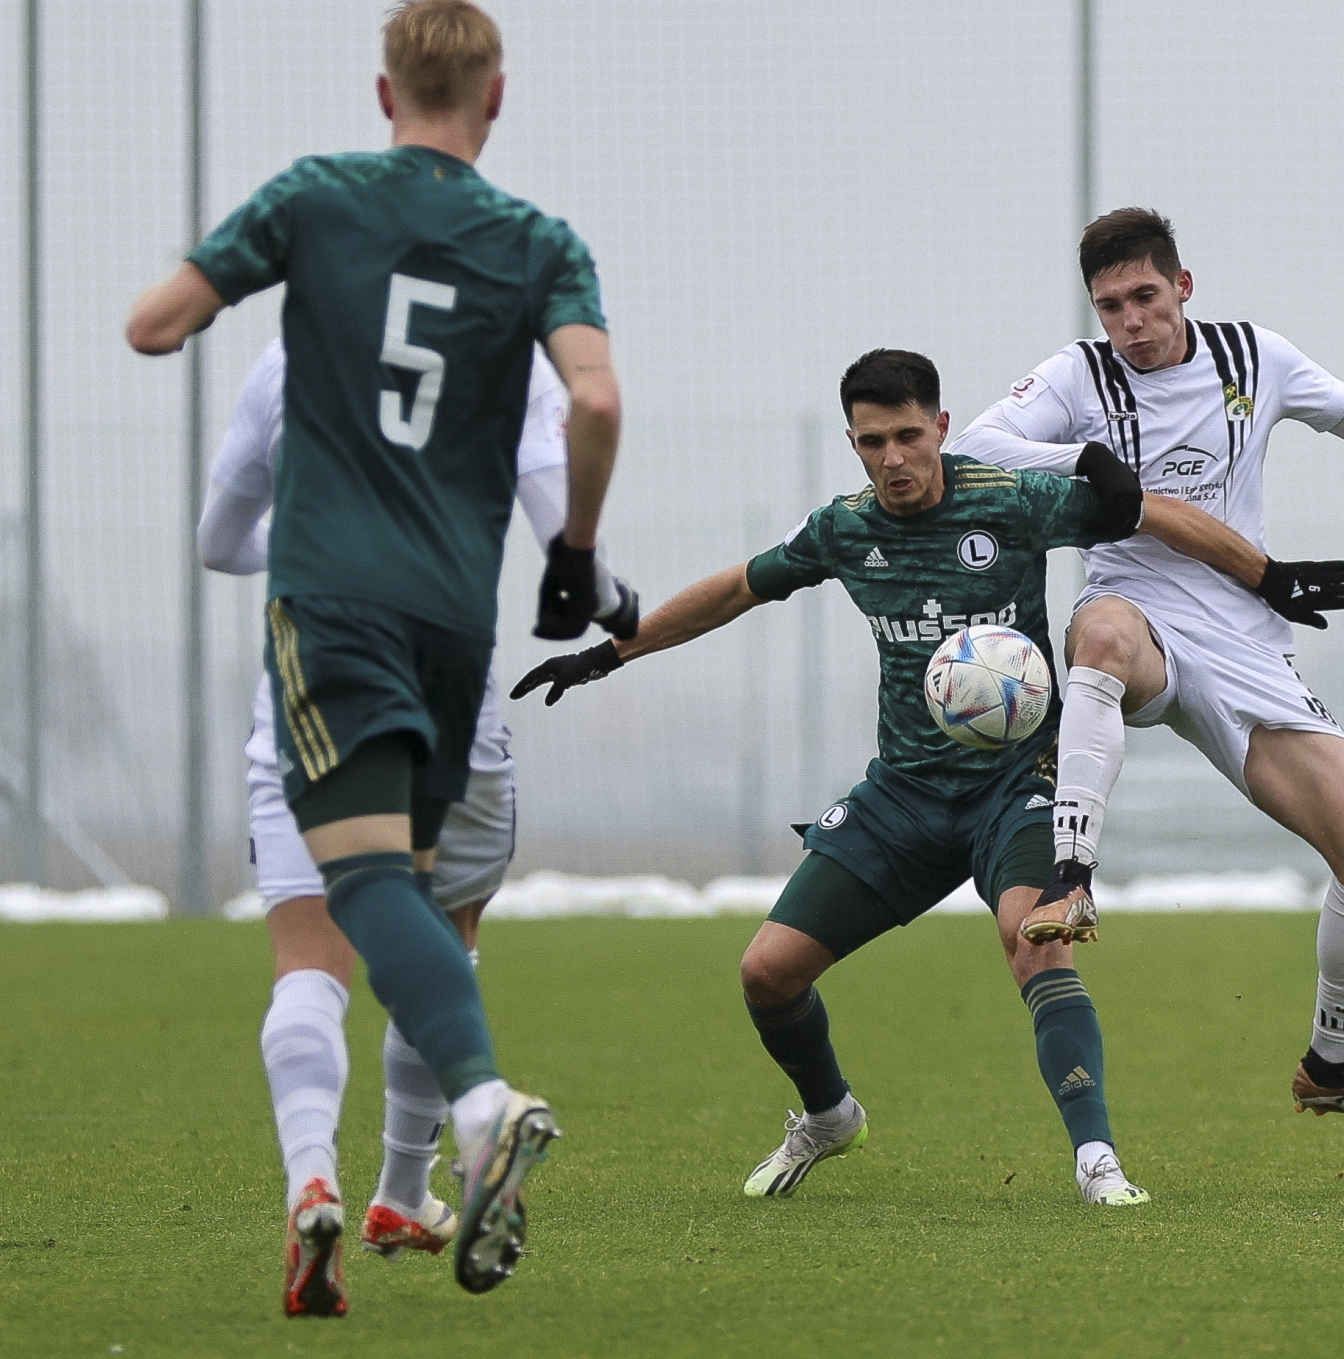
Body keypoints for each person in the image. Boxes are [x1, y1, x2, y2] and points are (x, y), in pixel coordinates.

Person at [126, 0, 626, 1311]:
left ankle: (477, 1112)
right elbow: (595, 397)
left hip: (336, 609)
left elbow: (154, 325)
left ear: (383, 90)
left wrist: (217, 291)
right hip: (454, 624)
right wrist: (577, 555)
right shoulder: (538, 241)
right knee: (405, 893)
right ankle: (415, 1170)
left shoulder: (315, 199)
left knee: (349, 890)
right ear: (496, 98)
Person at [516, 349, 1275, 1205]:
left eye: (909, 436)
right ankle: (830, 1115)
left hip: (1018, 783)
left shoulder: (1008, 499)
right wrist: (608, 654)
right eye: (872, 442)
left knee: (1037, 939)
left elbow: (1147, 513)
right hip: (904, 795)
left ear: (941, 428)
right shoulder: (845, 529)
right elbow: (735, 588)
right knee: (766, 972)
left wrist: (1263, 574)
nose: (893, 458)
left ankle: (1097, 1160)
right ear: (853, 442)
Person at [952, 208, 1344, 1151]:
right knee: (1096, 634)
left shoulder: (1252, 357)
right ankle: (1074, 877)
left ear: (1183, 286)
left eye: (1145, 296)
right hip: (1138, 617)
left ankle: (1333, 1066)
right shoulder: (1079, 375)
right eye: (1110, 305)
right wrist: (1084, 459)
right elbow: (975, 448)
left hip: (1243, 642)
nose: (1130, 321)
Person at [198, 340, 634, 1269]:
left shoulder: (289, 356)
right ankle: (413, 1180)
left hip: (310, 678)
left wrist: (324, 545)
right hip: (446, 682)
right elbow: (564, 531)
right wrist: (608, 596)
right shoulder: (505, 351)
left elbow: (218, 543)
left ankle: (314, 1179)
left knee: (308, 957)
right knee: (446, 930)